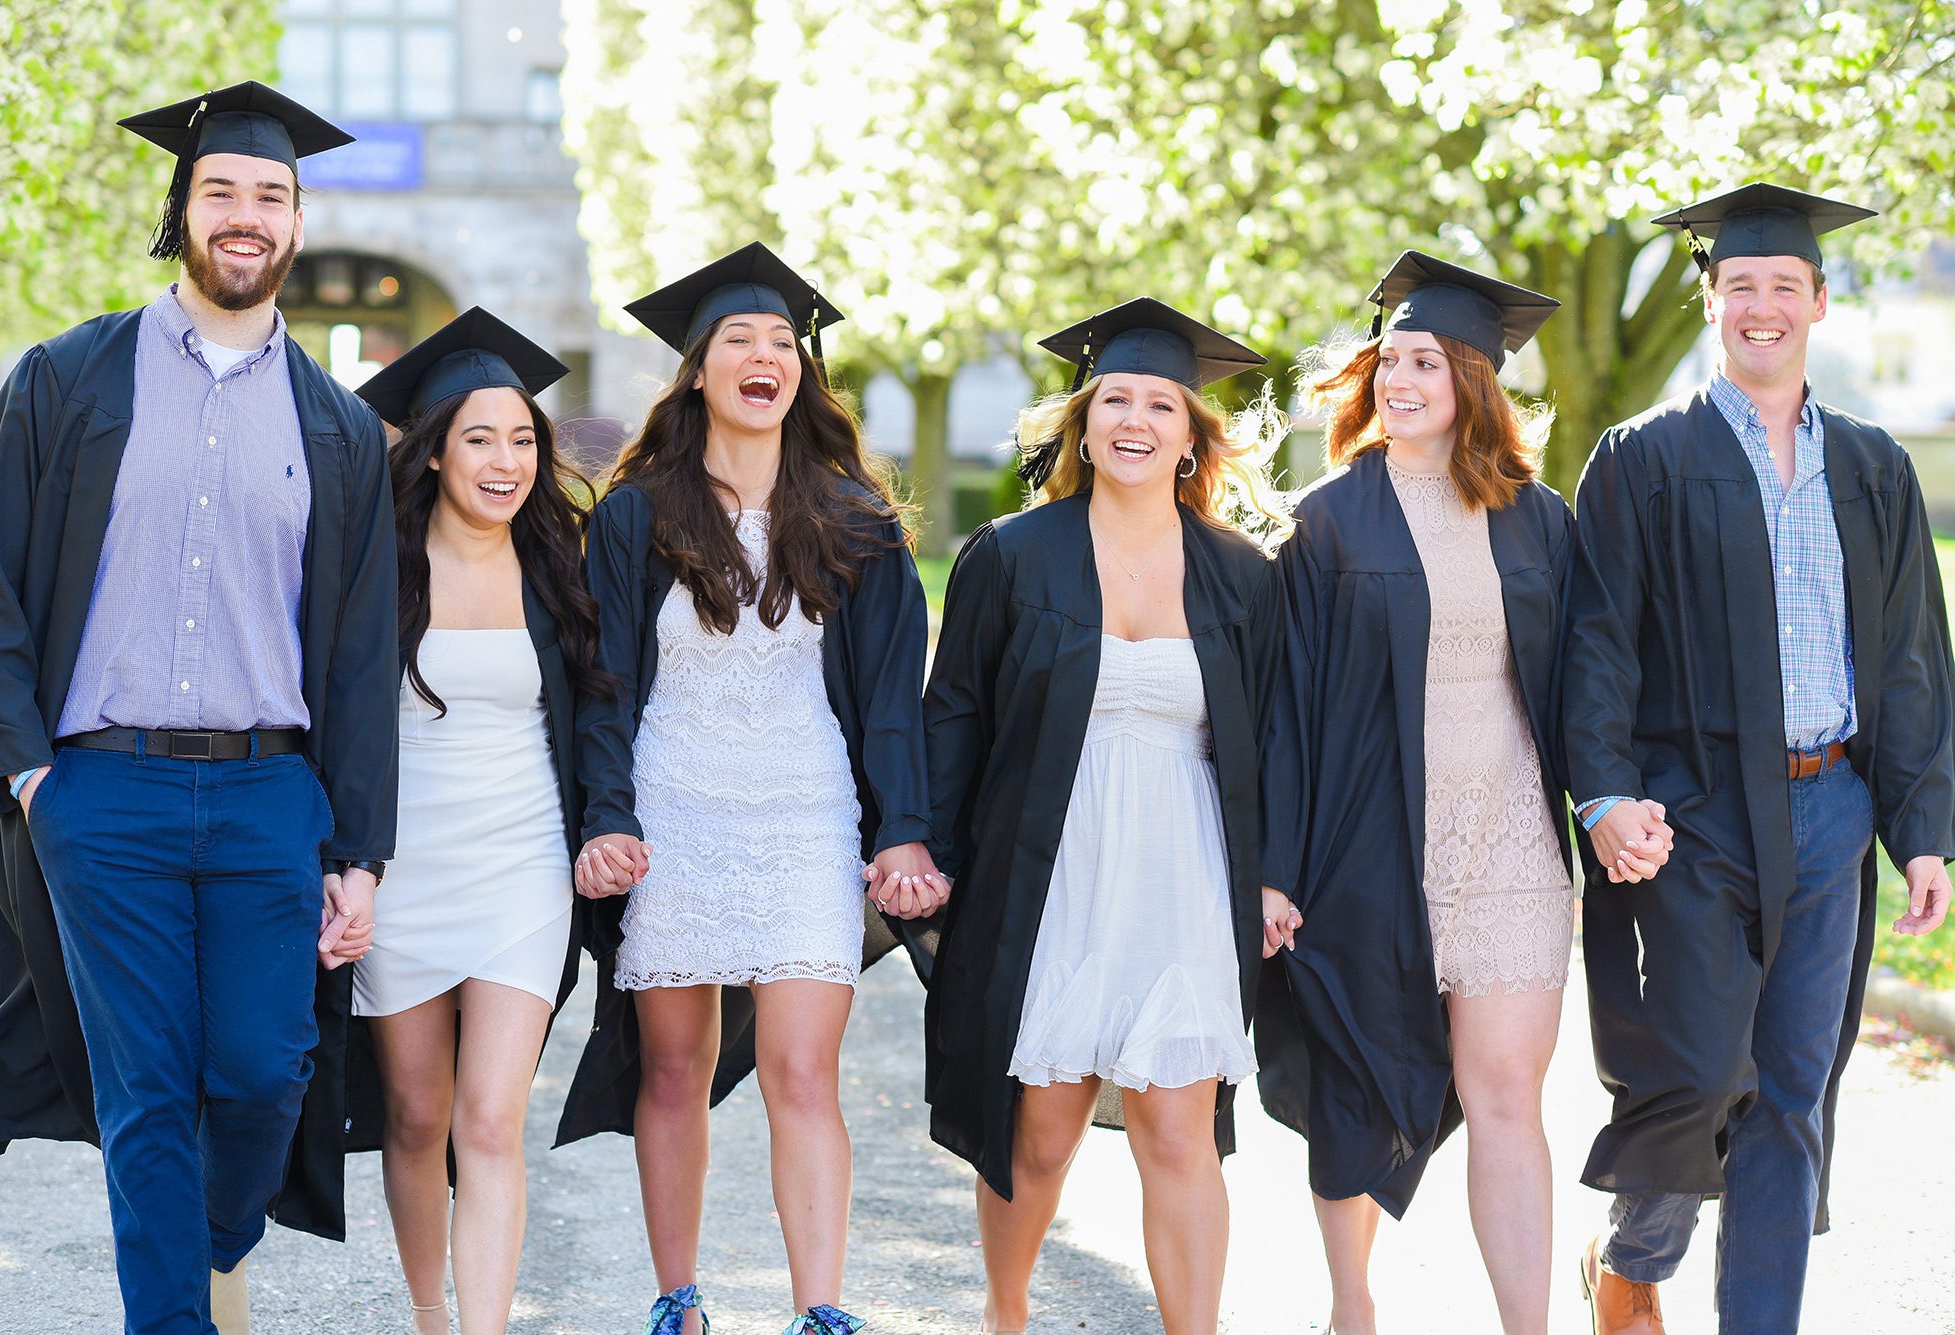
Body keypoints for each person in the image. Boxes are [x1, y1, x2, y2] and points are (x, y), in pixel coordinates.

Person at [0, 81, 397, 1335]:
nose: (245, 217)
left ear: (297, 222)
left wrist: (357, 849)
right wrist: (39, 782)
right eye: (222, 194)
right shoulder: (65, 380)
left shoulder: (339, 429)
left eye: (270, 196)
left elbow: (359, 654)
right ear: (182, 212)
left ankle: (207, 1246)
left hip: (269, 793)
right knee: (145, 1090)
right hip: (104, 790)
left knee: (263, 1073)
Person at [1566, 182, 1955, 1335]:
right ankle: (1632, 1257)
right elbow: (1593, 645)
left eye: (1783, 284)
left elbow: (1907, 663)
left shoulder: (1875, 466)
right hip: (1690, 813)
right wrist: (1601, 793)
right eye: (1740, 284)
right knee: (1694, 1074)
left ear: (1818, 304)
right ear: (1710, 302)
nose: (1761, 305)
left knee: (1791, 1092)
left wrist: (1921, 831)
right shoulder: (1641, 459)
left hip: (1828, 804)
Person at [1253, 253, 1667, 1335]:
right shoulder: (1326, 524)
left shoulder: (1538, 520)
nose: (1398, 377)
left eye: (1424, 360)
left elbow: (1585, 686)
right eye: (1387, 357)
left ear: (1471, 381)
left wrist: (1603, 801)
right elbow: (1285, 712)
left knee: (1502, 1101)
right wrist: (1275, 871)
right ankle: (1351, 1309)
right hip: (1366, 847)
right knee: (1354, 1096)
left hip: (1510, 849)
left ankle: (1523, 1326)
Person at [560, 242, 945, 1335]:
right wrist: (608, 817)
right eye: (739, 339)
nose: (764, 355)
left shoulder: (854, 522)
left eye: (783, 342)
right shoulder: (636, 518)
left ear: (801, 377)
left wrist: (902, 832)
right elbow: (605, 688)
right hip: (672, 811)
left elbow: (887, 703)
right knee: (674, 1069)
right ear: (695, 372)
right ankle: (677, 1299)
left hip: (803, 815)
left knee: (799, 1069)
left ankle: (818, 1308)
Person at [923, 299, 1289, 1335]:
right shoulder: (1012, 555)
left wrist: (1270, 875)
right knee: (1040, 1125)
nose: (1135, 419)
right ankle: (1006, 1315)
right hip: (1051, 855)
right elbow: (951, 716)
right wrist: (924, 850)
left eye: (1159, 404)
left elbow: (1272, 744)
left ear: (1188, 435)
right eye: (1114, 399)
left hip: (1184, 854)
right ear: (1082, 423)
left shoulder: (1239, 576)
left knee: (1178, 1124)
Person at [346, 309, 605, 1335]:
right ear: (436, 449)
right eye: (480, 438)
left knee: (489, 1117)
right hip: (401, 866)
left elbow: (599, 715)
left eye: (524, 439)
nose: (506, 461)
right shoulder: (375, 572)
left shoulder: (561, 568)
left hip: (520, 865)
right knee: (415, 1116)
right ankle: (428, 1315)